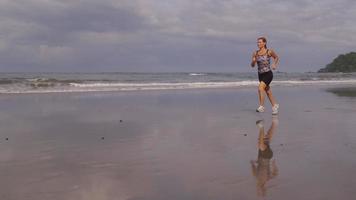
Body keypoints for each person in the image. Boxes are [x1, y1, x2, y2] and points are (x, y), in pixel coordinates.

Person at [250, 118, 279, 197]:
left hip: (263, 155)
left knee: (266, 139)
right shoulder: (267, 178)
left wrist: (253, 163)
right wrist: (273, 164)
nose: (259, 185)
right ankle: (261, 127)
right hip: (267, 156)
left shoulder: (256, 176)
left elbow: (254, 168)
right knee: (261, 144)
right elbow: (275, 173)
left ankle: (274, 124)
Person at [251, 37, 279, 115]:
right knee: (267, 91)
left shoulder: (269, 51)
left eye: (260, 42)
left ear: (264, 43)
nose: (258, 44)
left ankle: (262, 106)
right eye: (257, 42)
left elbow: (276, 57)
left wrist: (274, 64)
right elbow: (252, 65)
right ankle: (275, 106)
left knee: (260, 88)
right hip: (260, 75)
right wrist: (253, 61)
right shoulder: (255, 53)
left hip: (268, 74)